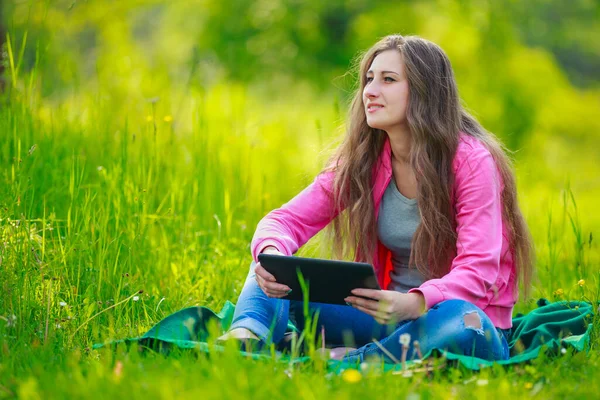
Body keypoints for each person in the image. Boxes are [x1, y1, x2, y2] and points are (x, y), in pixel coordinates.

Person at [218, 34, 534, 363]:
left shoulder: (472, 162)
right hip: (384, 317)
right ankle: (245, 338)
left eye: (388, 80)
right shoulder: (365, 159)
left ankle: (349, 359)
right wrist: (271, 255)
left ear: (425, 91)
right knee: (274, 269)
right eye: (369, 78)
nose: (370, 90)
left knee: (464, 326)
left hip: (455, 319)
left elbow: (478, 270)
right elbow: (286, 221)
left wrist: (414, 303)